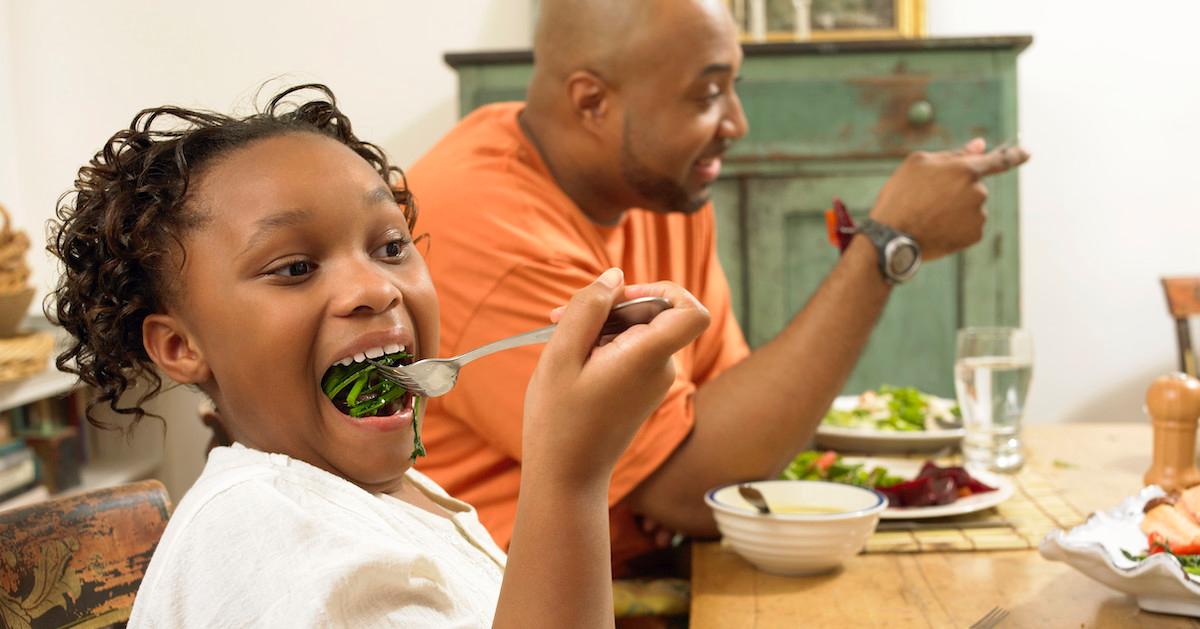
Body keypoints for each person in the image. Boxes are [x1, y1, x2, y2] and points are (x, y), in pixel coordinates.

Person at [47, 83, 709, 627]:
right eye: (297, 266)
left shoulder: (364, 493)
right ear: (180, 346)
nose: (374, 288)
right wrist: (570, 474)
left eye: (390, 246)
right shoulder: (271, 546)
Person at [407, 0, 1031, 570]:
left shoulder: (656, 180)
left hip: (642, 567)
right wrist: (885, 246)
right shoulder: (486, 229)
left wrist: (695, 464)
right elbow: (700, 489)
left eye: (734, 86)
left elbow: (734, 431)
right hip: (505, 593)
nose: (737, 122)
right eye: (706, 94)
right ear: (592, 102)